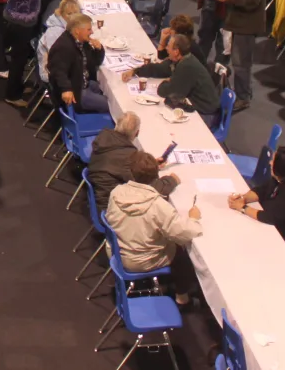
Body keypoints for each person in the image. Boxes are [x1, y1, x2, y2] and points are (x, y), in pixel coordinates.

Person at [106, 151, 202, 305]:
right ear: (155, 176)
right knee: (182, 253)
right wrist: (193, 218)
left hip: (116, 251)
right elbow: (184, 233)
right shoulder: (158, 206)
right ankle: (182, 297)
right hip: (140, 261)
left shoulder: (116, 193)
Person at [206, 0, 264, 111]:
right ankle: (243, 93)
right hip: (239, 22)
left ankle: (243, 97)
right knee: (239, 62)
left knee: (241, 64)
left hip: (246, 26)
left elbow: (252, 0)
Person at [3, 0, 63, 102]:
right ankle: (12, 95)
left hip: (13, 17)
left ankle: (17, 86)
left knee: (19, 57)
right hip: (23, 22)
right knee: (19, 59)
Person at [88, 113, 180, 210]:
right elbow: (149, 189)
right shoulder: (130, 157)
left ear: (116, 125)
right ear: (137, 133)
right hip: (112, 207)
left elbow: (119, 165)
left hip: (98, 194)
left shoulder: (104, 137)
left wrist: (151, 165)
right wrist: (171, 180)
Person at [124, 35, 222, 122]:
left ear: (176, 51)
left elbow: (166, 92)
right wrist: (135, 71)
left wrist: (165, 83)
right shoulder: (182, 59)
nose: (166, 49)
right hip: (197, 104)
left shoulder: (186, 66)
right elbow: (159, 69)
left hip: (206, 113)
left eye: (169, 46)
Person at [46, 12, 108, 114]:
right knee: (108, 104)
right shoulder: (63, 47)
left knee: (107, 91)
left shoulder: (82, 43)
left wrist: (99, 50)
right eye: (89, 29)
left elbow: (95, 62)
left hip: (84, 82)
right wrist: (66, 89)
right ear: (77, 31)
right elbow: (58, 71)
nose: (92, 32)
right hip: (76, 91)